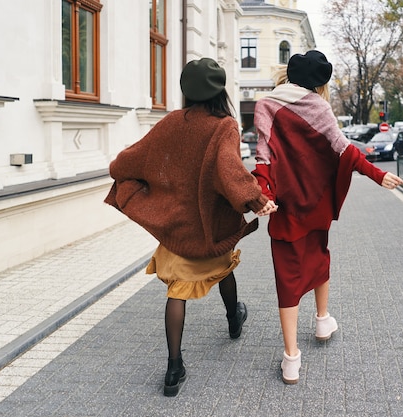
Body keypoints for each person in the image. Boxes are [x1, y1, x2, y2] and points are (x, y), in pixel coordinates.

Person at [105, 57, 277, 396]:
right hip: (210, 227)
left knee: (177, 291)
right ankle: (233, 319)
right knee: (224, 266)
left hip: (177, 229)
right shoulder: (223, 125)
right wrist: (257, 201)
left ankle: (173, 368)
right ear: (219, 90)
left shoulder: (171, 122)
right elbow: (230, 172)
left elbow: (126, 162)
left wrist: (129, 174)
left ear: (186, 89)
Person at [252, 50, 403, 384]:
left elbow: (263, 157)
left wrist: (264, 194)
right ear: (319, 84)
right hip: (316, 204)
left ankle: (291, 358)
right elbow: (345, 150)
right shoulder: (319, 107)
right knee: (319, 258)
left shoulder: (265, 106)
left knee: (288, 280)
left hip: (286, 208)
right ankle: (322, 320)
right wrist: (378, 175)